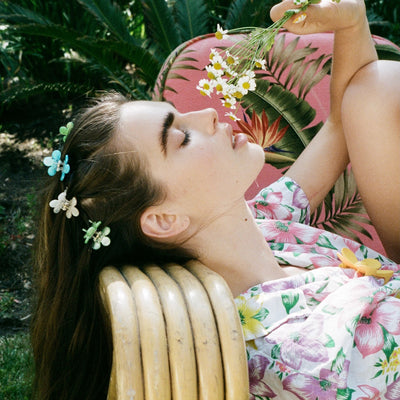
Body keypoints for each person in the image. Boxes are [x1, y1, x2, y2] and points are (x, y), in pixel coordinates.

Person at [31, 0, 400, 399]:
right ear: (164, 219)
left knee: (376, 86)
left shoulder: (262, 227)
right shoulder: (300, 355)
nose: (207, 113)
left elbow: (341, 122)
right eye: (181, 138)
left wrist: (350, 21)